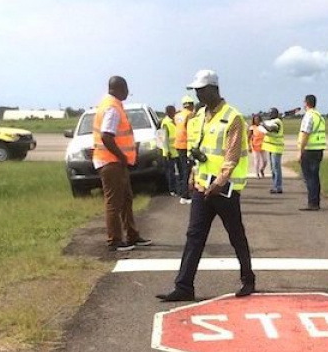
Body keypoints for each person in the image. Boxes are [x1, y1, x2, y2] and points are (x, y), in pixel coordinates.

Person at [156, 69, 255, 301]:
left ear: (214, 89)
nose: (198, 95)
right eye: (196, 91)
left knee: (236, 235)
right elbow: (197, 150)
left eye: (201, 90)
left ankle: (248, 279)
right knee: (194, 235)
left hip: (224, 189)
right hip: (202, 187)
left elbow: (231, 155)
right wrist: (192, 175)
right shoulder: (199, 117)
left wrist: (220, 182)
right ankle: (184, 286)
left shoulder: (233, 118)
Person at [92, 76, 152, 251]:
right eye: (126, 89)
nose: (127, 93)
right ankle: (115, 240)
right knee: (114, 202)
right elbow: (106, 136)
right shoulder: (112, 108)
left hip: (114, 162)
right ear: (119, 88)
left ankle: (132, 235)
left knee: (126, 199)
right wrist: (122, 156)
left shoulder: (110, 104)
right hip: (111, 162)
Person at [297, 94, 326, 210]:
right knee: (315, 177)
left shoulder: (309, 116)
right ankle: (316, 201)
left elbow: (305, 133)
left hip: (309, 150)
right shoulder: (319, 116)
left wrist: (300, 151)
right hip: (319, 149)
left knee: (309, 178)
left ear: (306, 103)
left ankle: (312, 203)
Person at [174, 95, 195, 204]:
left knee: (182, 170)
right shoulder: (190, 115)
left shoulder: (177, 115)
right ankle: (185, 195)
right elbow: (191, 130)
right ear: (191, 104)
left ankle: (183, 192)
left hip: (178, 145)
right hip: (186, 145)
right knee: (187, 170)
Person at [261, 108, 284, 193]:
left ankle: (278, 187)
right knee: (273, 169)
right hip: (271, 148)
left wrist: (263, 125)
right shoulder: (272, 121)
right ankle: (275, 185)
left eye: (271, 113)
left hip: (276, 148)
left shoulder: (277, 122)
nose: (269, 115)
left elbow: (271, 129)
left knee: (276, 168)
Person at [160, 105, 178, 196]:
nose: (174, 113)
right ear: (168, 112)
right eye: (172, 111)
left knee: (177, 171)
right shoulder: (165, 122)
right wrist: (167, 151)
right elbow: (164, 138)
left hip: (176, 150)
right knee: (170, 172)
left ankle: (177, 188)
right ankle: (172, 189)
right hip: (169, 152)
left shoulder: (175, 121)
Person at [248, 114, 268, 179]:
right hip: (255, 146)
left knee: (265, 160)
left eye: (258, 119)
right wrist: (249, 146)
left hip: (263, 145)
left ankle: (262, 169)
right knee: (257, 160)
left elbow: (267, 134)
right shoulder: (252, 127)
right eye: (255, 119)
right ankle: (257, 173)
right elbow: (249, 137)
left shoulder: (262, 127)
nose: (257, 121)